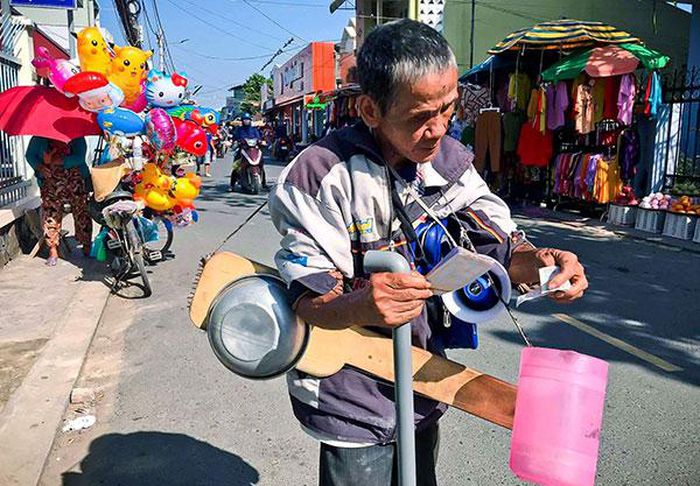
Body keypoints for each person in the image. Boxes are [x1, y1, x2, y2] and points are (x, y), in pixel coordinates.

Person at [268, 19, 588, 486]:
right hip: (349, 394)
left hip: (421, 378)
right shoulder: (319, 176)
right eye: (420, 117)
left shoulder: (449, 162)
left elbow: (494, 243)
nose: (438, 130)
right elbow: (308, 299)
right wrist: (359, 303)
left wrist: (541, 262)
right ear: (371, 110)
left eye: (449, 109)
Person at [26, 136, 93, 266]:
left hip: (75, 179)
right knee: (51, 214)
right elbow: (30, 155)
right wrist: (40, 166)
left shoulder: (76, 136)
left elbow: (80, 156)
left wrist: (60, 160)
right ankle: (52, 250)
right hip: (50, 181)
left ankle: (86, 245)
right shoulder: (39, 138)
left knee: (82, 211)